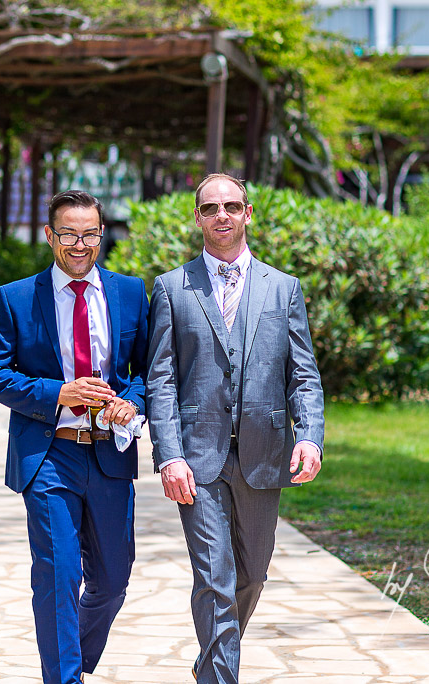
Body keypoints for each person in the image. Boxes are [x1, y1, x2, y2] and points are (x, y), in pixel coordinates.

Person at [145, 173, 325, 684]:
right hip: (197, 460)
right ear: (197, 218)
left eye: (230, 205)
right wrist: (168, 454)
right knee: (215, 579)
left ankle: (210, 662)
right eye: (209, 208)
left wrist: (309, 434)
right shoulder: (172, 288)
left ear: (247, 213)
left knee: (253, 574)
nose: (220, 214)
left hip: (264, 455)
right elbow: (160, 379)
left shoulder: (283, 288)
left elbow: (303, 374)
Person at [0, 190, 150, 684]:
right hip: (49, 455)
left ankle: (72, 658)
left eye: (90, 234)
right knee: (57, 576)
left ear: (102, 235)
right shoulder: (15, 297)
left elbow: (144, 371)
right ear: (50, 236)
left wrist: (131, 401)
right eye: (69, 234)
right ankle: (65, 677)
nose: (80, 245)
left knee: (112, 580)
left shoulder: (130, 293)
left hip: (111, 456)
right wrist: (59, 392)